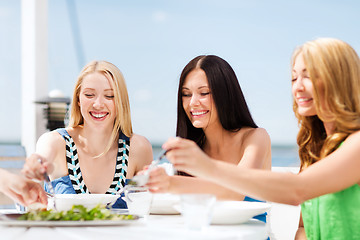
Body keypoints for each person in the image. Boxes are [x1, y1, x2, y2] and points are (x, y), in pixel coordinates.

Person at [161, 38, 360, 240]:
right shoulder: (316, 150)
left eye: (308, 77)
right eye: (293, 78)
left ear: (340, 80)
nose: (297, 87)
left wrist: (205, 167)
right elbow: (303, 229)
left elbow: (296, 189)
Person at [146, 55, 271, 221]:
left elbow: (234, 192)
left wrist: (171, 183)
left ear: (225, 95)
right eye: (186, 94)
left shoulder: (255, 138)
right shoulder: (194, 147)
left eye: (203, 93)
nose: (193, 103)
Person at [22, 61, 153, 208]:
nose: (98, 104)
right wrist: (35, 164)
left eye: (109, 96)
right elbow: (42, 158)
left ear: (121, 101)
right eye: (89, 95)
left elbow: (149, 208)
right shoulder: (55, 142)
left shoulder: (139, 148)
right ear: (78, 99)